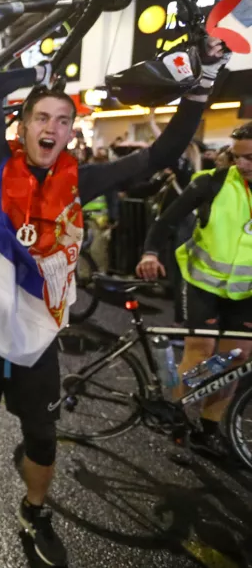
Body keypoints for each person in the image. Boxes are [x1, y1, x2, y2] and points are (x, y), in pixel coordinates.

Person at [0, 38, 228, 566]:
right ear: (24, 127)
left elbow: (162, 154)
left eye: (61, 120)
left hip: (36, 334)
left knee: (42, 437)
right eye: (41, 117)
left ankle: (35, 511)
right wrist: (34, 67)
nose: (50, 127)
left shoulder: (83, 181)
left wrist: (201, 85)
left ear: (69, 132)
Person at [136, 121, 252, 456]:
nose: (241, 164)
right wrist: (150, 252)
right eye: (237, 156)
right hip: (201, 282)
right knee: (201, 351)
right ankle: (173, 405)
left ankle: (208, 429)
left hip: (245, 292)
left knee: (236, 359)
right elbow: (165, 221)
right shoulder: (212, 183)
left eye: (249, 157)